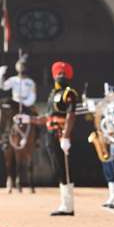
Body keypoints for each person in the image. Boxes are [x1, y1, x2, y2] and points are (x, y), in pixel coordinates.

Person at [45, 61, 78, 216]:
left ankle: (68, 205)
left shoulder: (69, 93)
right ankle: (64, 203)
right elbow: (48, 116)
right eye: (59, 73)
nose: (61, 76)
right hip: (50, 134)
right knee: (58, 168)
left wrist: (66, 135)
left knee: (65, 169)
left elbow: (71, 115)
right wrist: (27, 119)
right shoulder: (52, 94)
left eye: (64, 73)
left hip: (61, 135)